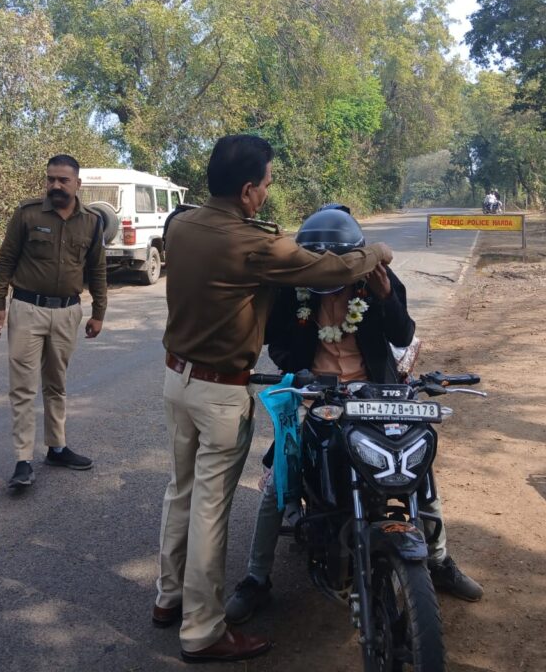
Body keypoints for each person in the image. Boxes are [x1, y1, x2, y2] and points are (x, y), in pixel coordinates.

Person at [153, 135, 394, 664]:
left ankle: (169, 597)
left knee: (181, 491)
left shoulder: (181, 226)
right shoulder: (253, 243)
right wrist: (376, 252)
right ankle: (202, 630)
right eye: (265, 185)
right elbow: (333, 271)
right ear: (246, 191)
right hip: (219, 390)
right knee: (211, 508)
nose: (266, 193)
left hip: (176, 379)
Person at [224, 205, 483, 625]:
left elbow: (403, 334)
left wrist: (386, 296)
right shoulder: (294, 290)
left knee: (418, 471)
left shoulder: (378, 279)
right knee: (278, 481)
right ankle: (256, 579)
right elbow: (277, 344)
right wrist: (300, 372)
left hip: (377, 394)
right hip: (318, 399)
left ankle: (439, 560)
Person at [0, 154, 107, 489]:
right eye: (50, 179)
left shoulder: (92, 221)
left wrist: (99, 312)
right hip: (27, 309)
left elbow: (97, 269)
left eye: (63, 180)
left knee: (56, 384)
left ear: (77, 184)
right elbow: (6, 259)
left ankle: (57, 447)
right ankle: (23, 460)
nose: (55, 185)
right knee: (23, 387)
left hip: (68, 312)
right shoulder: (27, 213)